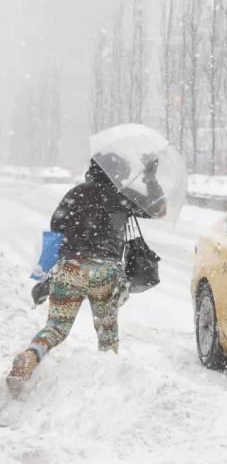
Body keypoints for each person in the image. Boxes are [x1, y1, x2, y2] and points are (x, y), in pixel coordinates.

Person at [6, 152, 165, 396]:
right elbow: (159, 208)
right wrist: (150, 176)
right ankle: (105, 392)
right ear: (117, 174)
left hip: (70, 268)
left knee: (56, 328)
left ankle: (30, 356)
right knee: (107, 333)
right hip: (106, 272)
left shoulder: (75, 194)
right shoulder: (122, 196)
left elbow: (56, 228)